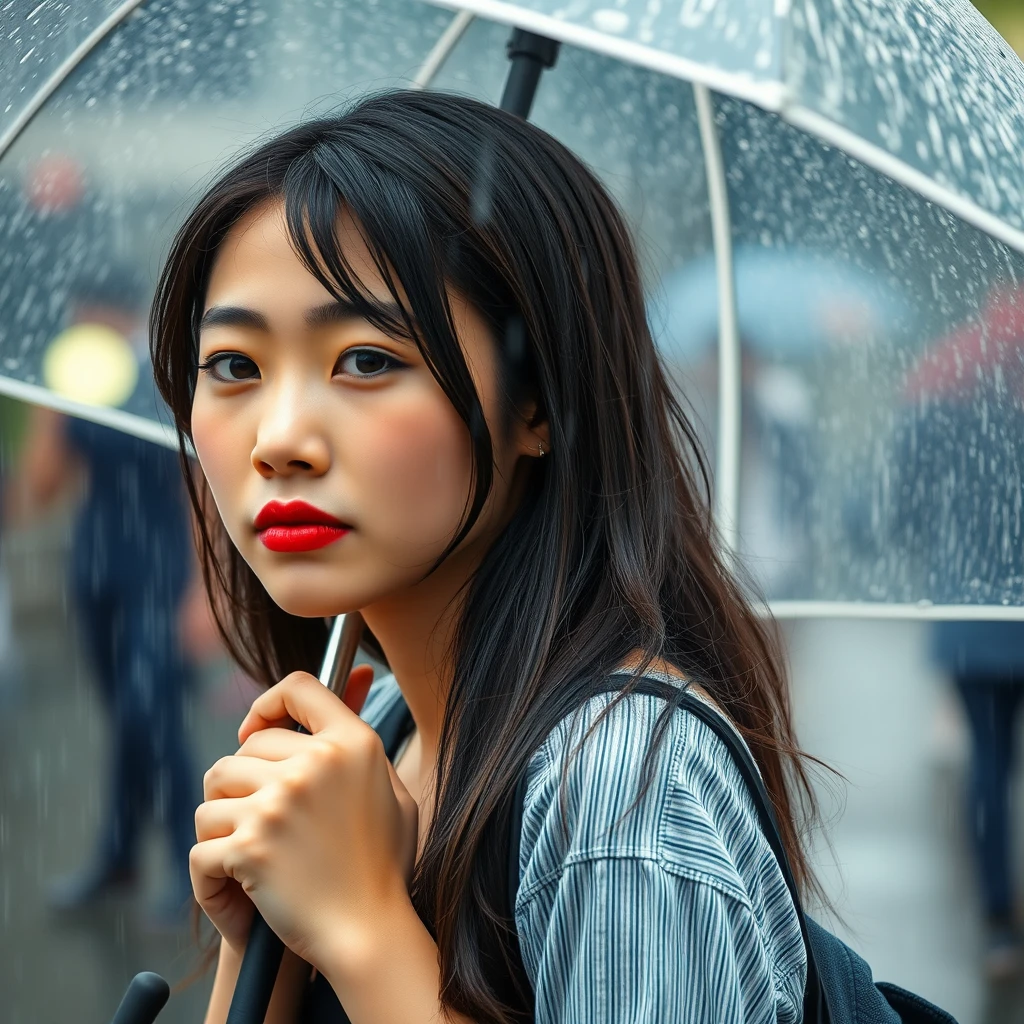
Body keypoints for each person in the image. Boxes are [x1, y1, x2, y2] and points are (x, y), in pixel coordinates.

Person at [152, 91, 817, 1022]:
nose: (280, 439)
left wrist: (360, 926)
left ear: (536, 406)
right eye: (233, 366)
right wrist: (265, 941)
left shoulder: (619, 791)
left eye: (368, 360)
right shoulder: (382, 728)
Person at [19, 269, 200, 925]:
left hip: (161, 571)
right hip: (95, 570)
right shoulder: (78, 381)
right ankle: (118, 856)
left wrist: (206, 596)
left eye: (87, 314)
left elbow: (198, 489)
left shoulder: (165, 377)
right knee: (124, 719)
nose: (78, 324)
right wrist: (51, 407)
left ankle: (188, 858)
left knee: (148, 715)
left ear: (116, 312)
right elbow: (41, 487)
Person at [889, 287, 1024, 980]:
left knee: (989, 764)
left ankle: (1000, 925)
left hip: (972, 622)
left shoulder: (952, 394)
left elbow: (902, 504)